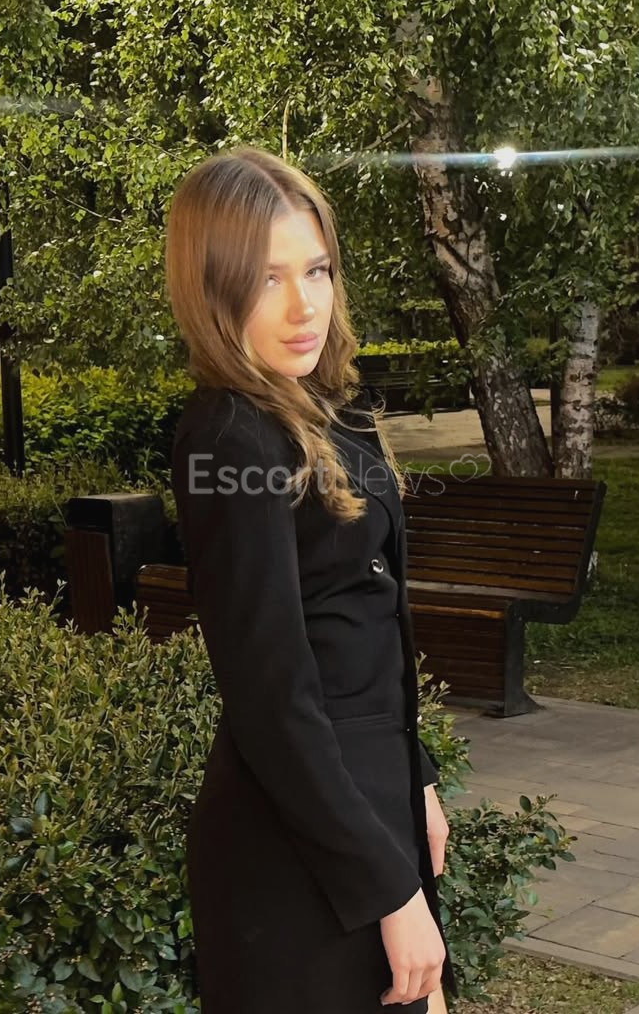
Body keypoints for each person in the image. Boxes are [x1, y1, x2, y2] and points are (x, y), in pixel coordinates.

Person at [166, 146, 457, 1014]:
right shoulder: (230, 436)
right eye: (267, 279)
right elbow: (272, 701)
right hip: (301, 858)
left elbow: (367, 623)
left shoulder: (328, 412)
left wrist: (418, 779)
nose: (305, 305)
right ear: (213, 291)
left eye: (317, 270)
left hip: (367, 809)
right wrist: (389, 891)